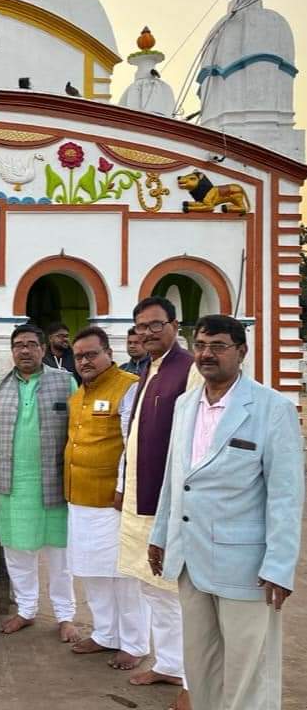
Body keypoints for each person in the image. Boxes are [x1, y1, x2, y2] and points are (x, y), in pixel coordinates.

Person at [150, 315, 304, 710]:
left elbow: (286, 495)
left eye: (218, 346)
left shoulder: (272, 409)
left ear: (241, 352)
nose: (206, 354)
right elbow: (175, 475)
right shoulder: (186, 404)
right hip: (190, 558)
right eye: (201, 345)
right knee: (201, 666)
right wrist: (160, 535)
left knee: (250, 671)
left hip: (246, 566)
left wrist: (279, 566)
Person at [117, 296, 201, 710]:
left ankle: (193, 679)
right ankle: (168, 663)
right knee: (150, 586)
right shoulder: (147, 370)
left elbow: (194, 442)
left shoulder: (189, 370)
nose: (147, 333)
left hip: (168, 499)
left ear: (175, 325)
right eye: (140, 327)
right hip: (139, 497)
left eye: (155, 325)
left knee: (175, 591)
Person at [0, 323, 79, 639]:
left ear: (43, 348)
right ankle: (26, 610)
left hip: (54, 482)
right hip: (14, 483)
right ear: (12, 351)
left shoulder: (65, 382)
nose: (25, 350)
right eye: (19, 344)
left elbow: (79, 429)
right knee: (17, 552)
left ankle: (65, 616)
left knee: (59, 555)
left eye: (31, 344)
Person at [65, 327, 149, 670]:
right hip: (80, 498)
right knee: (92, 571)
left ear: (108, 353)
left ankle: (135, 643)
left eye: (91, 354)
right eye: (79, 356)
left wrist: (123, 487)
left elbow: (134, 441)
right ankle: (105, 633)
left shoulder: (127, 386)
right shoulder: (77, 394)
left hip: (112, 500)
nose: (84, 361)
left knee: (123, 575)